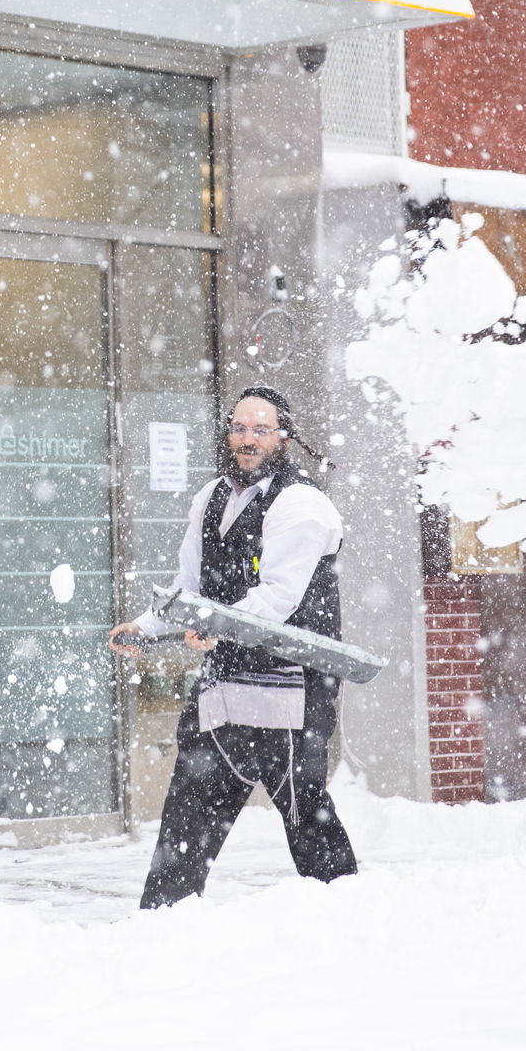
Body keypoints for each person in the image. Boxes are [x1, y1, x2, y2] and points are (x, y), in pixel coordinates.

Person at [110, 385, 358, 908]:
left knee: (306, 814)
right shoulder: (211, 497)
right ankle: (161, 922)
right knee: (188, 814)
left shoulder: (302, 504)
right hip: (223, 692)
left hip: (292, 692)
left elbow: (278, 598)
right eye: (239, 429)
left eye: (260, 430)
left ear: (284, 438)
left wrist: (220, 627)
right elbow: (190, 588)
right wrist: (146, 626)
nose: (248, 440)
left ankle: (349, 915)